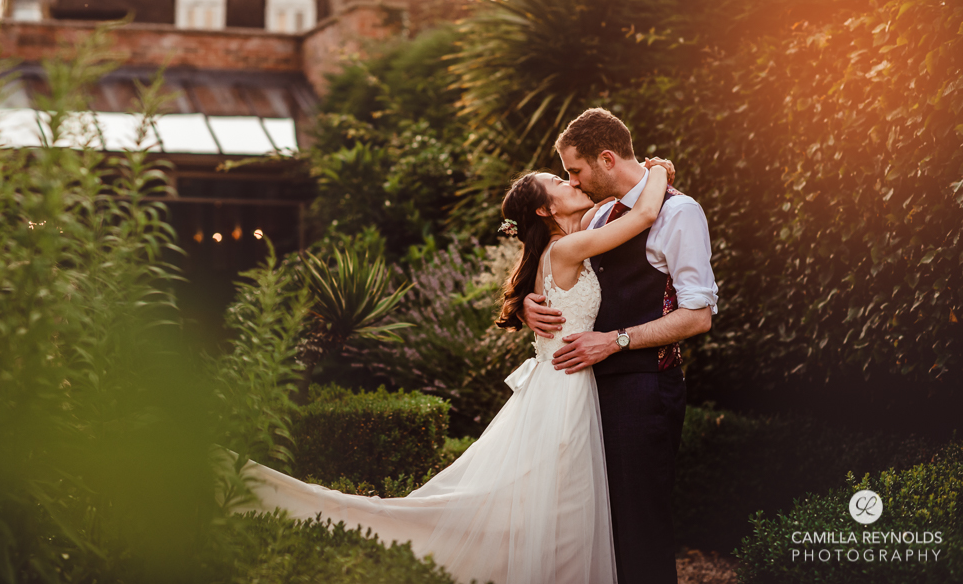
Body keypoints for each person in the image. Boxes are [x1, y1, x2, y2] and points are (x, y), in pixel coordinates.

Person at [236, 158, 676, 584]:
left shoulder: (566, 239)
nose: (571, 182)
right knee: (562, 509)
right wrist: (659, 169)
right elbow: (644, 213)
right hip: (564, 390)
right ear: (546, 210)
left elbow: (613, 207)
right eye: (560, 183)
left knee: (547, 509)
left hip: (558, 383)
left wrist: (525, 304)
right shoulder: (566, 247)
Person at [523, 108, 719, 584]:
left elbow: (698, 315)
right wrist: (531, 304)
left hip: (644, 391)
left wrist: (615, 341)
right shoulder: (599, 215)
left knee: (639, 528)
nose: (574, 181)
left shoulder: (677, 212)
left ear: (606, 159)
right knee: (591, 528)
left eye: (576, 171)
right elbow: (559, 276)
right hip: (584, 393)